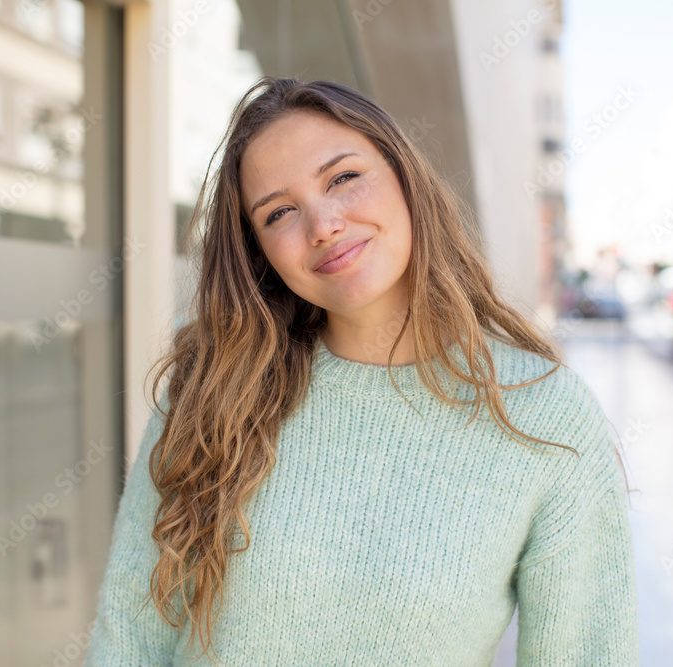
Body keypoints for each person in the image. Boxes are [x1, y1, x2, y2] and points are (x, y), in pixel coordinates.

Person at [84, 76, 639, 666]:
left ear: (405, 176)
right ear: (258, 254)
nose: (322, 225)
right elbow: (130, 636)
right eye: (279, 213)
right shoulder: (212, 394)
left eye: (343, 178)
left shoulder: (544, 414)